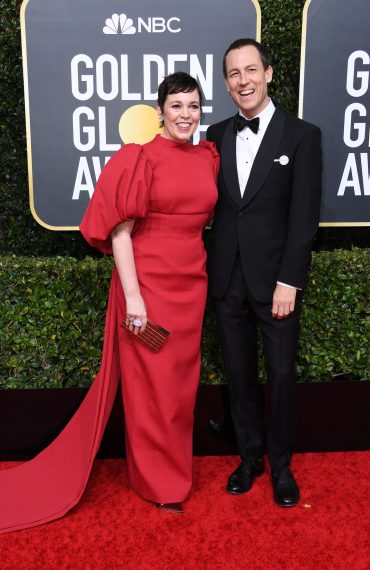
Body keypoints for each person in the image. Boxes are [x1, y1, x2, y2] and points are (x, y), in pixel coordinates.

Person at [0, 72, 218, 533]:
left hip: (191, 287)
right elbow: (119, 231)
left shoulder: (208, 157)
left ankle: (173, 472)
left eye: (193, 106)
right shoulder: (138, 158)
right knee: (151, 389)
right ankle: (159, 484)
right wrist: (134, 296)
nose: (185, 115)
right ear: (160, 111)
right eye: (176, 106)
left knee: (180, 388)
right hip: (148, 289)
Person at [206, 39, 322, 507]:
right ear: (227, 83)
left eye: (250, 70)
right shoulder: (214, 135)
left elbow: (304, 217)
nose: (243, 81)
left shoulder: (302, 135)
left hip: (276, 283)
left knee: (279, 376)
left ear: (269, 74)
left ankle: (282, 466)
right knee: (238, 374)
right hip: (227, 278)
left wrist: (289, 280)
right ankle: (249, 458)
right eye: (233, 74)